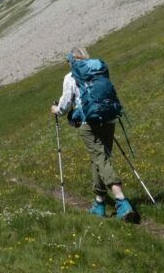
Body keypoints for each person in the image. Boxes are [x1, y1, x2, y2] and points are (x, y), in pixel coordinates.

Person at [50, 47, 139, 223]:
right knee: (99, 159)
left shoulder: (71, 77)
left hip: (87, 123)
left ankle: (121, 200)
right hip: (108, 119)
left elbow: (66, 103)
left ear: (71, 61)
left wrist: (56, 110)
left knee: (100, 158)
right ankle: (99, 204)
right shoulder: (99, 70)